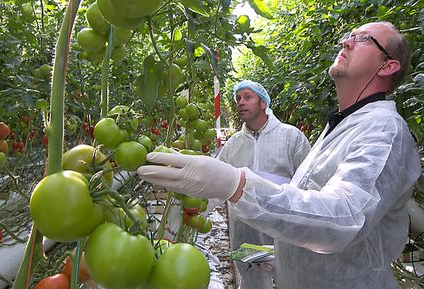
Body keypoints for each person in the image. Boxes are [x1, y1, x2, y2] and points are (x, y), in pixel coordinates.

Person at [138, 21, 421, 289]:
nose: (346, 42)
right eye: (348, 36)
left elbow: (345, 218)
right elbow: (309, 202)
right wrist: (284, 254)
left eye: (363, 39)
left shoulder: (383, 130)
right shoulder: (342, 125)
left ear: (388, 65)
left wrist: (237, 185)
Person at [216, 80, 310, 289]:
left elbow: (309, 184)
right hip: (244, 231)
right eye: (238, 98)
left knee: (292, 279)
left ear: (263, 103)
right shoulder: (233, 145)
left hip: (283, 230)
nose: (241, 102)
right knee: (252, 281)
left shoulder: (291, 137)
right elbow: (217, 183)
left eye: (247, 97)